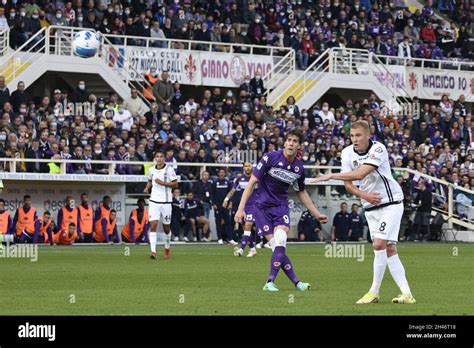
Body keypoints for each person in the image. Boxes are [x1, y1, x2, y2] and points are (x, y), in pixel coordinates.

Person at [312, 120, 416, 304]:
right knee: (389, 248)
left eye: (358, 135)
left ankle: (374, 291)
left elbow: (360, 174)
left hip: (390, 203)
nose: (354, 139)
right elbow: (348, 184)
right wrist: (363, 195)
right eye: (352, 136)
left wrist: (330, 175)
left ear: (368, 135)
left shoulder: (379, 149)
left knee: (378, 244)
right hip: (370, 206)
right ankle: (407, 293)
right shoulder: (346, 153)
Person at [235, 130, 328, 292]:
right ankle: (296, 282)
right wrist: (241, 208)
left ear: (299, 146)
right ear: (284, 143)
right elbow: (251, 183)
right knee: (276, 246)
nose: (291, 143)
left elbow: (302, 192)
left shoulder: (298, 169)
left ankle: (270, 281)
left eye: (295, 141)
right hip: (261, 208)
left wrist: (316, 213)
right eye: (289, 140)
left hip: (281, 208)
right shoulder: (270, 158)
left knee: (280, 240)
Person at [143, 151, 178, 259]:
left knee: (166, 227)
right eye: (157, 157)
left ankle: (167, 247)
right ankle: (153, 251)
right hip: (154, 201)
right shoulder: (151, 169)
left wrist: (163, 183)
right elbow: (150, 180)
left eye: (161, 156)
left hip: (166, 202)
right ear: (155, 158)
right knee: (153, 225)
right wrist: (147, 188)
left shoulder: (169, 169)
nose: (159, 158)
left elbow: (175, 184)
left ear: (164, 158)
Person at [223, 162, 258, 257]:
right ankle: (252, 249)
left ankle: (241, 249)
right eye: (246, 166)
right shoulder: (239, 179)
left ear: (252, 167)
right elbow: (233, 190)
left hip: (254, 206)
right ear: (243, 168)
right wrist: (226, 199)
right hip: (244, 207)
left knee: (248, 225)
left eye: (249, 166)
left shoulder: (256, 178)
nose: (247, 168)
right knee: (245, 228)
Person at [212, 168, 237, 245]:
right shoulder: (215, 183)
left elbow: (231, 193)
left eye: (223, 172)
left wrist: (230, 203)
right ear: (218, 174)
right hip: (218, 205)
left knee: (228, 222)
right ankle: (219, 238)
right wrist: (213, 204)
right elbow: (212, 194)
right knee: (218, 222)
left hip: (226, 205)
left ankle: (230, 238)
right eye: (220, 172)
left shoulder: (228, 182)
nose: (222, 174)